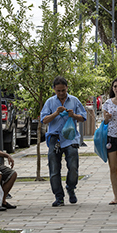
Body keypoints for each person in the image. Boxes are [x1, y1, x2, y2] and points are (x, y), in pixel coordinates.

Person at [41, 76, 87, 207]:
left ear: (67, 88)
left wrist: (73, 115)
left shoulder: (74, 100)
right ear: (54, 90)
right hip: (54, 138)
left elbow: (83, 117)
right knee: (54, 168)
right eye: (58, 91)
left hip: (70, 137)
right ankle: (59, 196)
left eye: (63, 90)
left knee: (73, 166)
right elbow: (44, 120)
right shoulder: (50, 102)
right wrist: (55, 113)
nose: (61, 93)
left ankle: (71, 187)